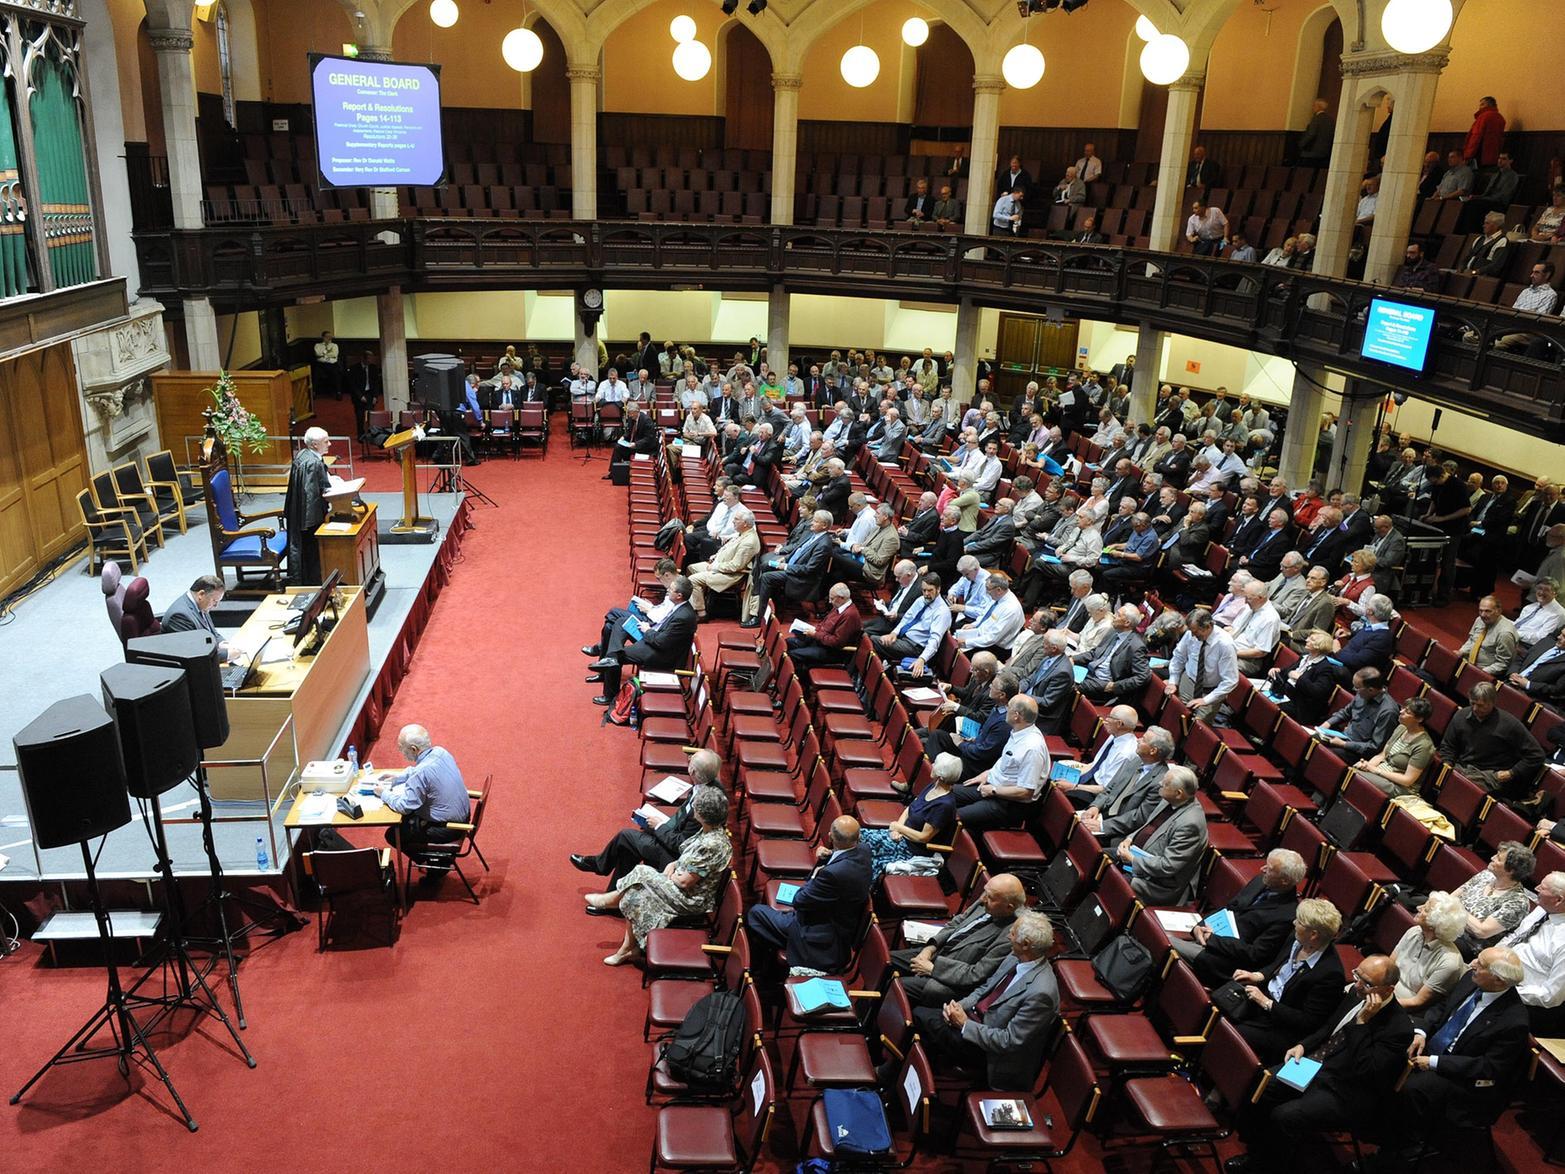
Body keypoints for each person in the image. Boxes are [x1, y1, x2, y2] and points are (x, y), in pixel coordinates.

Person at [1227, 954, 1412, 1174]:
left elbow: (1366, 1070)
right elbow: (1328, 1028)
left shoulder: (1399, 1029)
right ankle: (1257, 1148)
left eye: (1367, 983)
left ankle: (1265, 1166)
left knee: (1285, 1116)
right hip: (1316, 1065)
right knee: (1262, 1083)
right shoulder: (1355, 993)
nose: (1358, 984)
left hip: (1344, 1090)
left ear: (1388, 990)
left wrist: (1362, 1024)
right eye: (1357, 975)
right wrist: (1303, 1046)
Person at [1388, 946, 1532, 1168]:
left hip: (1461, 1076)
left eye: (1481, 964)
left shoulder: (1514, 1021)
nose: (1472, 963)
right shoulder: (1470, 979)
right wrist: (1422, 1032)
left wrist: (1435, 1063)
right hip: (1433, 1047)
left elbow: (1488, 1067)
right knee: (1388, 1050)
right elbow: (1443, 1008)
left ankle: (1404, 1143)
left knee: (1413, 1089)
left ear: (1499, 981)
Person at [909, 912, 1059, 1090]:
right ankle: (916, 1079)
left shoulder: (1042, 993)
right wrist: (958, 1007)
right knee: (927, 1023)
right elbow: (985, 988)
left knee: (919, 1016)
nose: (1008, 933)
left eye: (1013, 932)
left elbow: (1008, 1041)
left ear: (1025, 945)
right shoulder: (1014, 957)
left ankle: (909, 1081)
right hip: (973, 1019)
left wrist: (965, 1024)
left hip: (990, 1052)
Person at [587, 786, 732, 968]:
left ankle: (612, 899)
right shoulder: (707, 831)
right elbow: (684, 855)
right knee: (635, 891)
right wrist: (672, 866)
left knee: (643, 873)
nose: (693, 808)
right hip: (681, 883)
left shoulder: (712, 844)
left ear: (702, 814)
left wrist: (669, 875)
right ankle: (628, 948)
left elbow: (685, 881)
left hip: (690, 898)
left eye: (696, 807)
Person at [571, 749, 723, 884]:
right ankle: (612, 894)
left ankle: (600, 866)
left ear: (693, 772)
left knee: (626, 837)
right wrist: (663, 823)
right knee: (628, 847)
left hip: (674, 857)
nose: (688, 762)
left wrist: (659, 826)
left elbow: (681, 845)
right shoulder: (706, 783)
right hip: (672, 833)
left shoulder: (704, 805)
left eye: (691, 761)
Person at [745, 816, 873, 975]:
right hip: (838, 916)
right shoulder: (864, 851)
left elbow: (799, 900)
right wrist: (827, 857)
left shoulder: (832, 874)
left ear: (830, 837)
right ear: (858, 837)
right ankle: (769, 963)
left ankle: (761, 970)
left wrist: (816, 874)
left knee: (756, 913)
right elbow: (843, 861)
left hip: (820, 933)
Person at [1224, 897, 1346, 1063]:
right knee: (1219, 1006)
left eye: (1300, 921)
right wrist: (1258, 975)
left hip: (1279, 1025)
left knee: (1230, 1034)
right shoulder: (1297, 939)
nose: (1294, 922)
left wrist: (1267, 1003)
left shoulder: (1330, 974)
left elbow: (1308, 1021)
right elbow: (1277, 965)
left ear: (1314, 935)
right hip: (1261, 997)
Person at [1172, 848, 1306, 987]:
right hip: (1209, 938)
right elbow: (1229, 907)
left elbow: (1254, 954)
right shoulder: (1259, 881)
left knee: (1164, 942)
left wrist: (1212, 939)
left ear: (1284, 881)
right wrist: (1199, 926)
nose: (1262, 869)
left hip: (1222, 960)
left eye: (1270, 869)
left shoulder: (1287, 915)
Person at [891, 873, 1027, 1007]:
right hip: (936, 953)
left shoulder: (1009, 937)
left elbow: (975, 975)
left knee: (893, 986)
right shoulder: (987, 901)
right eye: (985, 892)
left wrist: (933, 969)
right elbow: (956, 923)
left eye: (990, 897)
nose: (983, 899)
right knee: (886, 961)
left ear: (1009, 907)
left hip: (947, 982)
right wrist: (929, 949)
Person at [369, 724, 471, 878]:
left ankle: (436, 865)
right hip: (464, 818)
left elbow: (404, 807)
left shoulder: (420, 773)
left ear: (413, 749)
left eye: (401, 747)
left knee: (393, 834)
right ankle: (435, 860)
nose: (400, 751)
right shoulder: (441, 752)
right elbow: (422, 769)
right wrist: (400, 777)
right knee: (408, 820)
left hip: (447, 828)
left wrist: (383, 793)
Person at [589, 575, 698, 703]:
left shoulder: (684, 617)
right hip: (656, 638)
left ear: (679, 595)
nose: (668, 590)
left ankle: (610, 694)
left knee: (619, 655)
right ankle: (610, 657)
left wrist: (647, 630)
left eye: (671, 589)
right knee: (619, 623)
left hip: (660, 654)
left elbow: (661, 642)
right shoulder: (680, 607)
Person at [950, 694, 1048, 832]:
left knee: (954, 816)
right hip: (993, 786)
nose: (1005, 709)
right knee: (946, 794)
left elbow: (1026, 792)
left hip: (1008, 804)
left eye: (1009, 707)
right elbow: (1008, 762)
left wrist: (994, 790)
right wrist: (987, 773)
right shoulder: (1019, 731)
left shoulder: (1032, 748)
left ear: (1016, 716)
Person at [1439, 682, 1545, 806]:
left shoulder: (1509, 724)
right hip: (1462, 766)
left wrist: (1512, 773)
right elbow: (1448, 746)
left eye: (1480, 705)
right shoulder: (1461, 715)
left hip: (1490, 775)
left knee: (1459, 787)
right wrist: (1447, 766)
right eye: (1472, 703)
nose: (1474, 709)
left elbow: (1536, 755)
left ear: (1492, 703)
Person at [1114, 765, 1208, 905]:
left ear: (1179, 793)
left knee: (1112, 882)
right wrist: (1130, 838)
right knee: (1098, 855)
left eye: (1165, 784)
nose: (1159, 784)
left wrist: (1133, 860)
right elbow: (1148, 825)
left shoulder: (1190, 824)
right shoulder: (1169, 798)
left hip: (1159, 883)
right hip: (1139, 856)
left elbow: (1168, 866)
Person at [860, 752, 959, 881]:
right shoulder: (933, 786)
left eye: (935, 765)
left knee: (869, 853)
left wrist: (899, 828)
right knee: (861, 835)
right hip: (901, 836)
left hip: (911, 849)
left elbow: (923, 837)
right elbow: (910, 808)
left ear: (940, 776)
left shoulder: (944, 806)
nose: (932, 765)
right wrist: (897, 828)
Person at [1079, 726, 1175, 842]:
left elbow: (1139, 818)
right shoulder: (1135, 760)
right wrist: (1095, 807)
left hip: (1121, 830)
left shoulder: (1161, 782)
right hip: (1103, 813)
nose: (1138, 740)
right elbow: (1110, 788)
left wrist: (1102, 826)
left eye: (1143, 740)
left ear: (1153, 751)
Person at [1495, 871, 1565, 1028]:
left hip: (1523, 999)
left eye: (1543, 887)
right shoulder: (1543, 909)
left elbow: (1550, 996)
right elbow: (1515, 936)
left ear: (1558, 900)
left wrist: (1507, 990)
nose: (1536, 888)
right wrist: (1488, 957)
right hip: (1498, 975)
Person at [747, 509, 835, 628]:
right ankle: (757, 601)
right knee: (765, 565)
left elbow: (809, 570)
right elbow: (798, 550)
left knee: (767, 577)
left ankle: (759, 617)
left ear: (824, 525)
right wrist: (786, 559)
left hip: (801, 578)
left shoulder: (824, 544)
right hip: (791, 566)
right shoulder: (812, 534)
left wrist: (786, 566)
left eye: (815, 521)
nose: (812, 523)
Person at [1389, 891, 1468, 1019]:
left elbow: (1418, 1002)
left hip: (1402, 1011)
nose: (1418, 908)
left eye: (1425, 909)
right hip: (1384, 991)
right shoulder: (1414, 932)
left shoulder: (1449, 962)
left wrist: (1383, 1004)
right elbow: (1389, 966)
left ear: (1434, 924)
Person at [1453, 842, 1535, 954]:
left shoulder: (1518, 903)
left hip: (1469, 943)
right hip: (1451, 922)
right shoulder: (1486, 875)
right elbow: (1452, 896)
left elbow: (1481, 931)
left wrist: (1454, 907)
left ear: (1510, 870)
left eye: (1498, 858)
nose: (1492, 858)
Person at [1166, 608, 1239, 722]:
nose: (1193, 636)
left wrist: (1206, 700)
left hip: (1210, 690)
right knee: (1176, 717)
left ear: (1208, 626)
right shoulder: (1191, 634)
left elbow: (1231, 680)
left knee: (1198, 727)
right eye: (1191, 632)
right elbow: (1179, 656)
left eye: (1196, 632)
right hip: (1189, 680)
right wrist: (1173, 681)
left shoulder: (1225, 644)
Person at [686, 508, 761, 619]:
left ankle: (701, 614)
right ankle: (695, 603)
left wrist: (715, 566)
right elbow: (728, 548)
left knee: (693, 580)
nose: (733, 521)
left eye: (736, 519)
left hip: (730, 575)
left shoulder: (749, 542)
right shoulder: (742, 533)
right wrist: (716, 556)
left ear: (745, 524)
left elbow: (736, 566)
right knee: (691, 567)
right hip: (721, 565)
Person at [874, 572, 952, 678]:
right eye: (924, 590)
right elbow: (907, 619)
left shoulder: (942, 612)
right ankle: (882, 673)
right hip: (904, 638)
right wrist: (894, 633)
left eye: (930, 590)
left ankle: (876, 676)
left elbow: (935, 640)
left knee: (874, 640)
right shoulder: (921, 600)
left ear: (938, 589)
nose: (926, 594)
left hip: (916, 647)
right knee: (878, 637)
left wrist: (922, 659)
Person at [1314, 666, 1399, 763]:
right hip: (1343, 737)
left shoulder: (1388, 712)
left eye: (1357, 688)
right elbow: (1346, 712)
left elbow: (1374, 747)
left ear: (1370, 690)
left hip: (1357, 753)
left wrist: (1343, 744)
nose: (1354, 690)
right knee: (1312, 738)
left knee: (1323, 754)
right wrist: (1327, 724)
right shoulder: (1363, 693)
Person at [1357, 697, 1435, 798]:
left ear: (1419, 719)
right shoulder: (1401, 728)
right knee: (1354, 770)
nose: (1401, 711)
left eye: (1407, 712)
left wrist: (1375, 770)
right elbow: (1382, 755)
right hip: (1380, 775)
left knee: (1358, 776)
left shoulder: (1424, 746)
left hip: (1399, 787)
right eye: (1403, 708)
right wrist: (1366, 766)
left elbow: (1407, 780)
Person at [284, 427, 332, 586]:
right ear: (315, 445)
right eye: (326, 442)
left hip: (297, 513)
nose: (329, 444)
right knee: (311, 550)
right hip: (307, 521)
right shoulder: (311, 463)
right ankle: (313, 581)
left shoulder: (304, 455)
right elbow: (310, 495)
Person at [786, 581, 863, 677]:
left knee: (793, 655)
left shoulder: (849, 615)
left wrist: (815, 634)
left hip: (832, 652)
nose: (830, 601)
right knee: (788, 642)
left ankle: (800, 684)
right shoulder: (839, 606)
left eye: (832, 598)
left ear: (841, 598)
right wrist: (815, 631)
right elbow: (824, 622)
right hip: (821, 641)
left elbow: (836, 642)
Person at [1265, 629, 1338, 725]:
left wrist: (1300, 679)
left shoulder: (1325, 668)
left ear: (1319, 645)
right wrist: (1278, 670)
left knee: (1270, 707)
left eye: (1311, 639)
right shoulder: (1305, 656)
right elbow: (1290, 671)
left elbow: (1317, 691)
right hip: (1286, 694)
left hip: (1299, 705)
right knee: (1262, 697)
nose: (1306, 640)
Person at [161, 573, 232, 658]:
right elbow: (195, 652)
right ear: (201, 594)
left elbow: (212, 633)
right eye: (214, 601)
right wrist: (227, 654)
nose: (216, 605)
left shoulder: (201, 604)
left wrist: (223, 643)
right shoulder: (179, 616)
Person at [1453, 595, 1520, 676]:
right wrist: (1461, 651)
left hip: (1486, 672)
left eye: (1487, 611)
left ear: (1498, 611)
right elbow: (1472, 640)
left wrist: (1481, 672)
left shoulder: (1505, 634)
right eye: (1480, 611)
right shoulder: (1480, 620)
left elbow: (1503, 663)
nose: (1483, 615)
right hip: (1469, 663)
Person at [311, 330, 341, 398]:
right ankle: (314, 392)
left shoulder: (334, 345)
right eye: (327, 337)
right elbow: (317, 354)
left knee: (337, 375)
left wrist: (323, 355)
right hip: (321, 365)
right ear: (323, 337)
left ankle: (338, 392)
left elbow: (334, 354)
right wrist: (327, 351)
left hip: (332, 364)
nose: (329, 338)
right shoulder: (318, 345)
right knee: (315, 375)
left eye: (330, 337)